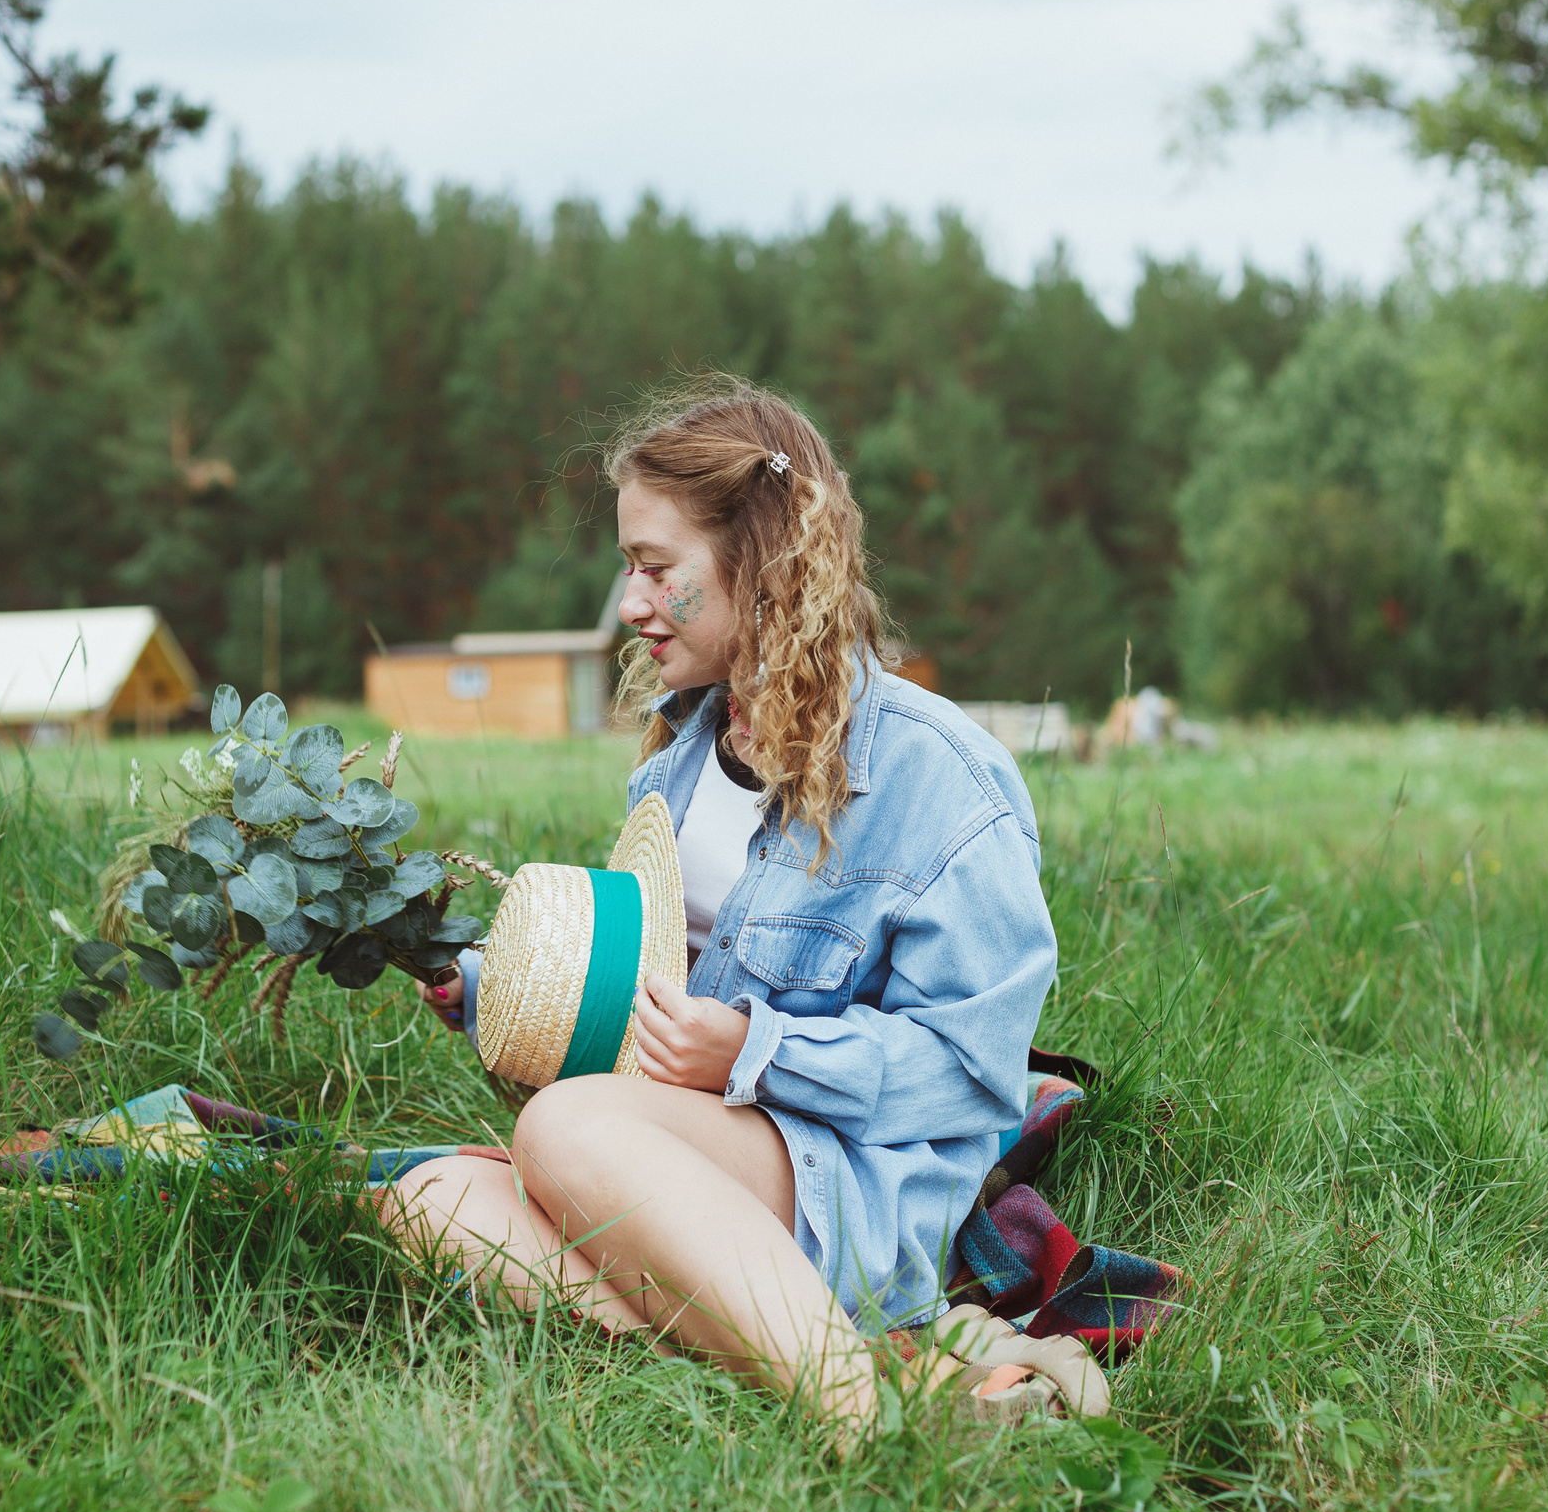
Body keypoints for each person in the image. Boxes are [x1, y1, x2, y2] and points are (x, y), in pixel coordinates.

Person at [383, 379, 1058, 1438]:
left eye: (658, 568)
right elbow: (658, 1003)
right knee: (428, 1200)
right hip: (683, 1143)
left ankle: (862, 1417)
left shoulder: (941, 779)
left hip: (848, 1177)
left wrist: (756, 1051)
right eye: (628, 568)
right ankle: (846, 1363)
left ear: (763, 559)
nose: (632, 603)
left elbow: (970, 1075)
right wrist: (489, 988)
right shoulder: (676, 765)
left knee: (561, 1127)